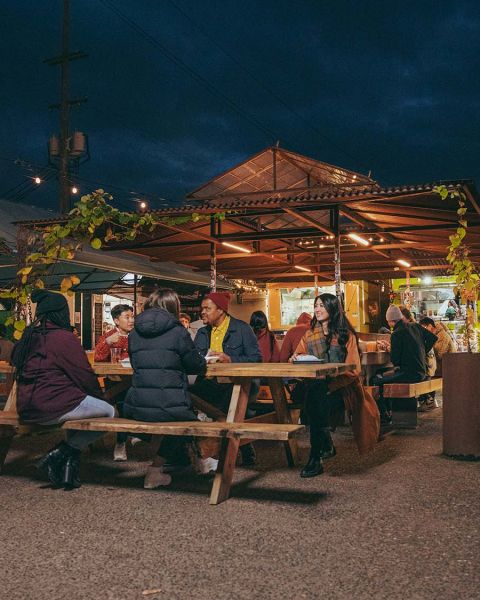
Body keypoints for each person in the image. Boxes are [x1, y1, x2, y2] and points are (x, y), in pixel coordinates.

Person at [11, 289, 114, 489]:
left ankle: (67, 471)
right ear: (61, 313)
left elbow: (16, 360)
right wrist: (101, 397)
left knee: (81, 412)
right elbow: (84, 375)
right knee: (110, 413)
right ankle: (60, 451)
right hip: (52, 406)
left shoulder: (29, 336)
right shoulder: (63, 338)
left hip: (27, 407)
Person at [125, 288, 206, 489]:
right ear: (173, 307)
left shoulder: (134, 333)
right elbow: (196, 366)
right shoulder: (178, 331)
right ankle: (156, 470)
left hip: (137, 405)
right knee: (187, 421)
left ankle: (197, 461)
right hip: (171, 406)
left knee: (180, 416)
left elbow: (136, 365)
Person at [292, 293, 379, 478]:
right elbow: (298, 355)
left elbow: (353, 371)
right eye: (316, 305)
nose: (317, 309)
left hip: (343, 390)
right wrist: (296, 358)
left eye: (322, 305)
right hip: (317, 389)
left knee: (314, 401)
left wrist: (331, 385)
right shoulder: (309, 335)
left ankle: (319, 453)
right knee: (316, 396)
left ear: (332, 308)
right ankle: (317, 454)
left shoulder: (346, 336)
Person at [192, 292, 262, 469]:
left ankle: (218, 451)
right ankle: (208, 447)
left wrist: (230, 359)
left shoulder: (242, 329)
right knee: (183, 394)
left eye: (207, 308)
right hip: (210, 383)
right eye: (202, 309)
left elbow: (256, 358)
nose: (203, 312)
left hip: (238, 383)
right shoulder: (201, 332)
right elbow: (194, 358)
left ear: (221, 310)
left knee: (227, 405)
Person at [371, 305, 437, 424]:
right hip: (422, 371)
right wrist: (422, 351)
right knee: (383, 375)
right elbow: (433, 338)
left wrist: (388, 349)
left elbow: (395, 361)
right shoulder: (415, 326)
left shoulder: (396, 334)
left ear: (391, 321)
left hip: (409, 374)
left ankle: (384, 415)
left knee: (376, 380)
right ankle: (389, 412)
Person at [94, 304, 134, 461]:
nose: (131, 320)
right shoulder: (108, 336)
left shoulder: (137, 335)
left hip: (134, 380)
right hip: (114, 381)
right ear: (117, 321)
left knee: (127, 405)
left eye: (132, 316)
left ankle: (125, 439)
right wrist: (108, 343)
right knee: (115, 404)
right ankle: (119, 442)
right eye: (127, 317)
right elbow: (97, 357)